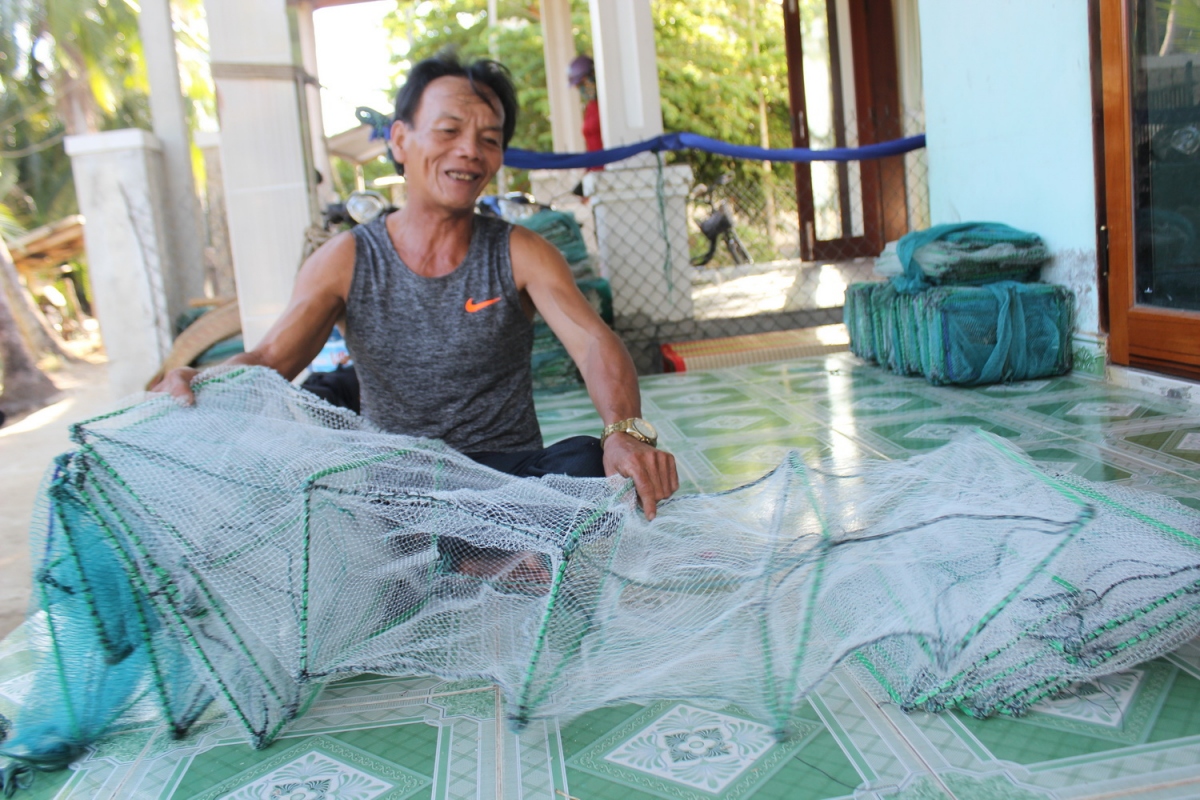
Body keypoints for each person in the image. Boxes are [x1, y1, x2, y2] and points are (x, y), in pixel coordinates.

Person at [154, 51, 678, 520]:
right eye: (449, 131)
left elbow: (591, 342)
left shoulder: (521, 251)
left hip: (507, 481)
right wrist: (200, 379)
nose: (470, 150)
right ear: (400, 140)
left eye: (489, 140)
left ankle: (480, 554)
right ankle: (480, 556)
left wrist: (623, 432)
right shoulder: (346, 258)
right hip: (400, 488)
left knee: (587, 462)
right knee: (334, 495)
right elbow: (271, 359)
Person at [569, 55, 603, 171]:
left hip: (610, 170)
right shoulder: (590, 107)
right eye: (578, 86)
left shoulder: (607, 105)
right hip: (595, 172)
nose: (581, 89)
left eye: (583, 83)